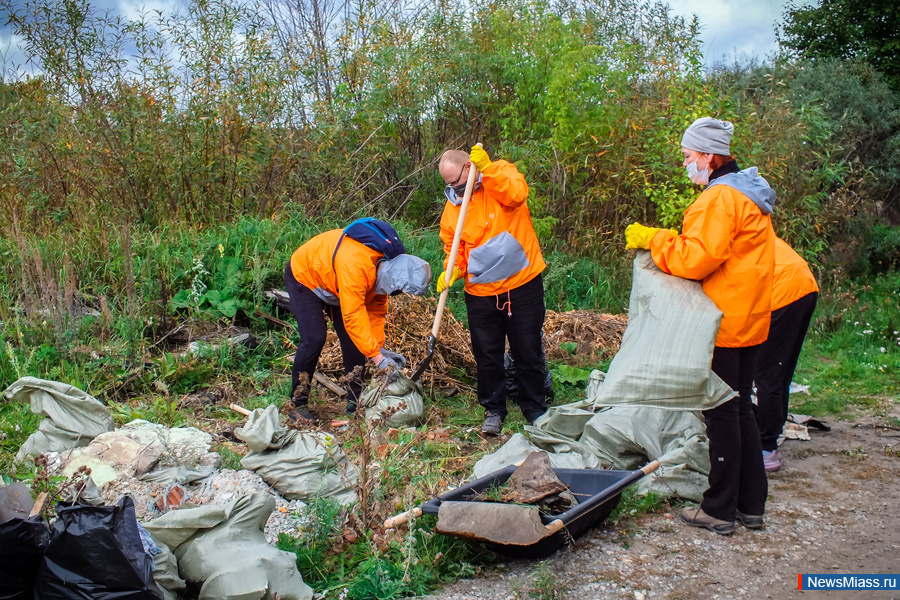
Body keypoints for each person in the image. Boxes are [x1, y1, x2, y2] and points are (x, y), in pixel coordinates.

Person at [624, 117, 776, 535]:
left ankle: (720, 508)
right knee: (741, 407)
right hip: (749, 318)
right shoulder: (748, 195)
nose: (686, 165)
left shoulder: (719, 199)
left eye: (689, 157)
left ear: (709, 156)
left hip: (724, 322)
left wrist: (654, 239)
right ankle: (750, 504)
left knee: (722, 413)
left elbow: (695, 260)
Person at [437, 145, 548, 435]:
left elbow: (517, 194)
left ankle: (535, 408)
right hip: (482, 294)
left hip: (521, 284)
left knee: (528, 349)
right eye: (447, 184)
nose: (454, 188)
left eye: (456, 181)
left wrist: (488, 169)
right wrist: (454, 270)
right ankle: (494, 409)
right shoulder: (453, 210)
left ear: (468, 168)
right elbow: (454, 247)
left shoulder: (500, 175)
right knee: (487, 354)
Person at [285, 229, 431, 424]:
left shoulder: (383, 270)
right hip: (307, 275)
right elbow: (353, 316)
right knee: (314, 338)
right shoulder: (356, 267)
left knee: (354, 342)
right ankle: (297, 404)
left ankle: (355, 402)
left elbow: (376, 314)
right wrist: (378, 359)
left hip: (335, 281)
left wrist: (379, 349)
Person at [754, 238, 819, 471]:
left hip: (784, 292)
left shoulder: (715, 246)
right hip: (805, 286)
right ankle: (773, 432)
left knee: (767, 374)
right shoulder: (751, 228)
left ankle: (766, 448)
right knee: (781, 371)